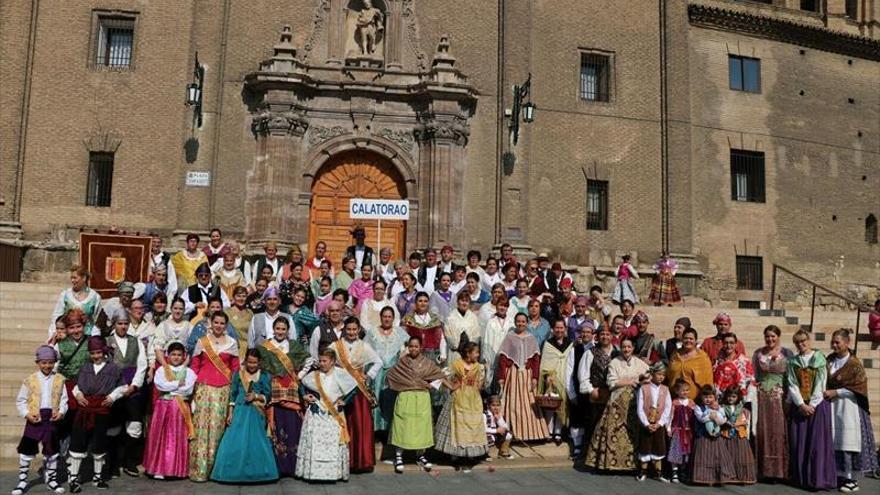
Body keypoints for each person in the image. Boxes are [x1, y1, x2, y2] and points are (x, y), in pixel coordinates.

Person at [67, 336, 126, 493]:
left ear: (104, 352)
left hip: (101, 409)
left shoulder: (113, 369)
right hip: (84, 409)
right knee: (79, 441)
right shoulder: (85, 367)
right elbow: (76, 386)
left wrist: (113, 396)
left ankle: (98, 476)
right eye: (92, 353)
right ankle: (73, 477)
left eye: (98, 352)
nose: (96, 356)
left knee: (99, 442)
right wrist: (78, 395)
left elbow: (122, 386)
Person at [210, 349, 279, 483]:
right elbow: (233, 394)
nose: (252, 365)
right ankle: (230, 473)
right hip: (240, 411)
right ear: (245, 361)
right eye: (249, 362)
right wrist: (230, 413)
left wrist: (256, 396)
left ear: (259, 363)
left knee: (256, 441)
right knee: (235, 439)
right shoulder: (238, 374)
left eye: (255, 362)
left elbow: (268, 395)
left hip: (256, 412)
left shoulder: (264, 376)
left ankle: (260, 473)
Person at [188, 312, 240, 482]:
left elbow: (235, 370)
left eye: (222, 323)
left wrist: (234, 392)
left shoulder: (232, 343)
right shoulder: (202, 342)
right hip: (203, 388)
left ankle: (216, 470)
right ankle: (200, 469)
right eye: (216, 322)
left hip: (223, 390)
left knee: (218, 429)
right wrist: (191, 390)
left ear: (226, 325)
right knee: (202, 428)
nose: (218, 325)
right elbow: (195, 366)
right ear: (211, 323)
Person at [584, 337, 649, 472]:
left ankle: (633, 465)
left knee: (633, 433)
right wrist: (632, 381)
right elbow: (612, 383)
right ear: (620, 348)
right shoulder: (614, 362)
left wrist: (634, 381)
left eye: (629, 347)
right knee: (613, 433)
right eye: (624, 347)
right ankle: (611, 464)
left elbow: (648, 377)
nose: (626, 349)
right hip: (616, 404)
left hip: (634, 403)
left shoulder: (640, 363)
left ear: (633, 348)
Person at [826, 328, 878, 492]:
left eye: (838, 342)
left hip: (849, 406)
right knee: (835, 440)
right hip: (832, 406)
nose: (834, 345)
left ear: (847, 343)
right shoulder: (830, 360)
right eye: (833, 342)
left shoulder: (854, 364)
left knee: (847, 441)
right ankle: (837, 474)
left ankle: (851, 478)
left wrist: (837, 392)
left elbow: (858, 387)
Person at [387, 336, 449, 473]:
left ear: (421, 347)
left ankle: (421, 455)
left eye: (416, 346)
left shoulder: (428, 363)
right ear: (408, 347)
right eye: (411, 346)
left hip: (422, 398)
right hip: (405, 396)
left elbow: (439, 376)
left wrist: (429, 385)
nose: (413, 348)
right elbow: (390, 375)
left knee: (422, 426)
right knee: (402, 425)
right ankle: (398, 456)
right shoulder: (402, 362)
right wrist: (408, 383)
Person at [257, 316, 309, 477]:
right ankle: (277, 466)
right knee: (276, 424)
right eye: (277, 328)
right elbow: (257, 366)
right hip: (274, 389)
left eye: (283, 329)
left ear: (287, 331)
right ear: (273, 329)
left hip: (292, 389)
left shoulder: (294, 346)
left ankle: (292, 466)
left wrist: (299, 375)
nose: (280, 331)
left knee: (292, 424)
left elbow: (309, 360)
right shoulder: (264, 347)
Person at [12, 345, 68, 495]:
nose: (47, 366)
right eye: (44, 362)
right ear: (38, 363)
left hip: (51, 419)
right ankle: (23, 481)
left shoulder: (60, 379)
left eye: (50, 362)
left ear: (54, 362)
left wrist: (62, 412)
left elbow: (64, 399)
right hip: (35, 419)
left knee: (52, 450)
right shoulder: (30, 380)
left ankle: (52, 479)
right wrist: (26, 414)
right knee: (26, 450)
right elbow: (21, 400)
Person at [296, 348, 358, 482]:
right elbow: (300, 383)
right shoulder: (314, 375)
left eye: (325, 361)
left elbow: (354, 388)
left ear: (333, 361)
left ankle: (333, 474)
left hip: (334, 414)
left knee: (332, 445)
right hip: (316, 414)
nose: (322, 363)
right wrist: (305, 396)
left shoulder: (341, 374)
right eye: (320, 360)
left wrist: (345, 401)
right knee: (315, 444)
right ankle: (313, 473)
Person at [786, 329, 836, 491]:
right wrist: (801, 404)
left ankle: (817, 479)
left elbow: (821, 383)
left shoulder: (819, 359)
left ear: (809, 341)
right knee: (799, 441)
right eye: (797, 342)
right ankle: (802, 478)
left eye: (803, 341)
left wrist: (812, 405)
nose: (801, 345)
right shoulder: (793, 362)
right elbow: (792, 384)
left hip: (817, 405)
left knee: (816, 443)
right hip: (800, 406)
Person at [333, 317, 382, 473]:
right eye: (349, 329)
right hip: (341, 390)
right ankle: (340, 460)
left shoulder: (364, 346)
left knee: (359, 425)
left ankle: (359, 461)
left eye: (354, 329)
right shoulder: (336, 346)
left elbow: (378, 362)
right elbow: (325, 359)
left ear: (359, 330)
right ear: (344, 330)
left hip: (359, 391)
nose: (352, 332)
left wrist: (368, 375)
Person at [143, 342, 196, 480]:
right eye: (173, 354)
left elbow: (188, 389)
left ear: (184, 356)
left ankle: (175, 469)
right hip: (163, 406)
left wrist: (170, 386)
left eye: (179, 355)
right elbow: (160, 385)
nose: (176, 357)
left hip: (179, 409)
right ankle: (158, 468)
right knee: (161, 436)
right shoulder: (162, 370)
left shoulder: (189, 372)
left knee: (175, 437)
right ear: (168, 356)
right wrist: (177, 384)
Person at [105, 309, 148, 478]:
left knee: (134, 426)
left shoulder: (135, 342)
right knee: (113, 428)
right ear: (114, 324)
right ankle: (113, 464)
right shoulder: (106, 341)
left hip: (132, 389)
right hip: (113, 388)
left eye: (125, 324)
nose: (123, 327)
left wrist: (135, 385)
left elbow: (142, 364)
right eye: (120, 324)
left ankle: (129, 462)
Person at [434, 342, 489, 471]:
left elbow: (480, 386)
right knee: (458, 426)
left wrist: (481, 380)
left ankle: (469, 456)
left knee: (471, 426)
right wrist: (452, 386)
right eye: (475, 352)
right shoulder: (457, 364)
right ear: (468, 353)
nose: (478, 354)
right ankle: (457, 455)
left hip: (473, 400)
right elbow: (442, 375)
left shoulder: (479, 367)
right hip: (458, 398)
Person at [496, 313, 549, 442]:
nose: (521, 324)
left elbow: (536, 359)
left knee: (528, 403)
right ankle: (512, 432)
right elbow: (503, 358)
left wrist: (535, 377)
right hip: (512, 374)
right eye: (518, 321)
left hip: (526, 374)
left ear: (527, 323)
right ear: (515, 322)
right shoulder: (509, 337)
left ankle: (530, 433)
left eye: (523, 321)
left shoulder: (531, 338)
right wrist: (501, 376)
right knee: (512, 403)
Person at [751, 324, 794, 481]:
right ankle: (763, 470)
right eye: (767, 336)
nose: (770, 339)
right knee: (763, 431)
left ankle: (779, 470)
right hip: (762, 397)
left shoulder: (787, 353)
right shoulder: (758, 354)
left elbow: (791, 378)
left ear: (778, 337)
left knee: (777, 432)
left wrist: (789, 399)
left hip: (779, 397)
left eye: (773, 336)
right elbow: (754, 375)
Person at [365, 307, 410, 436]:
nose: (387, 319)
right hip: (377, 372)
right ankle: (377, 430)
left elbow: (409, 347)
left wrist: (401, 359)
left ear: (393, 318)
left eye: (389, 316)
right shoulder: (372, 332)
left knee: (392, 399)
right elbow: (365, 350)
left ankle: (391, 430)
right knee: (376, 398)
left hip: (393, 371)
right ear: (381, 317)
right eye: (384, 316)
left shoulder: (399, 332)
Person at [578, 324, 616, 457]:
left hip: (613, 396)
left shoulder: (617, 352)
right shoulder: (590, 353)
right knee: (594, 426)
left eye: (607, 334)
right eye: (602, 334)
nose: (605, 337)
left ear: (611, 336)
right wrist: (590, 390)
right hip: (597, 395)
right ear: (597, 336)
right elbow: (583, 375)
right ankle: (589, 458)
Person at [691, 385, 735, 485]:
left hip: (716, 436)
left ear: (714, 398)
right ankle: (703, 478)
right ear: (701, 397)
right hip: (703, 435)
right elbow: (701, 419)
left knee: (716, 456)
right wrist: (710, 416)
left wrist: (716, 417)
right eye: (705, 397)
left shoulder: (719, 407)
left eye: (710, 397)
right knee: (704, 456)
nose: (708, 399)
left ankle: (717, 477)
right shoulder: (698, 407)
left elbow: (722, 419)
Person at [635, 362, 671, 482]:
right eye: (658, 374)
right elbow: (640, 408)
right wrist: (646, 423)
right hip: (646, 424)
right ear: (652, 374)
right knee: (645, 446)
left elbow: (667, 408)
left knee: (659, 447)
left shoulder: (666, 390)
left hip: (658, 424)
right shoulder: (644, 388)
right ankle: (642, 471)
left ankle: (658, 473)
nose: (661, 377)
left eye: (663, 375)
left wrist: (660, 423)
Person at [539, 317, 572, 445]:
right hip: (551, 379)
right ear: (553, 329)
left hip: (564, 378)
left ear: (565, 329)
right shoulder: (547, 344)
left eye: (561, 328)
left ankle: (558, 432)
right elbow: (545, 362)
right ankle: (548, 431)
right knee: (550, 405)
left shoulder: (570, 343)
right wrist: (547, 375)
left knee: (561, 406)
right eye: (557, 328)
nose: (559, 330)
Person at [49, 266, 103, 338]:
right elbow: (57, 315)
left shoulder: (95, 297)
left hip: (87, 337)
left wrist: (95, 336)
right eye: (71, 278)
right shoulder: (65, 295)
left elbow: (97, 319)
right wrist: (53, 333)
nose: (72, 280)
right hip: (67, 337)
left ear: (84, 278)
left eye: (75, 278)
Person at [399, 292, 447, 369]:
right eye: (420, 301)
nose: (423, 303)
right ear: (415, 303)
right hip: (413, 355)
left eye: (425, 301)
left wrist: (443, 353)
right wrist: (404, 352)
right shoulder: (408, 319)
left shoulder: (435, 319)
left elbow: (441, 338)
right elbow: (401, 338)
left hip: (432, 356)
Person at [720, 386, 756, 484]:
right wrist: (726, 423)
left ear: (738, 397)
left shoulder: (742, 408)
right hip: (727, 433)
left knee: (740, 455)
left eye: (733, 396)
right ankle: (729, 475)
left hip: (738, 433)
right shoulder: (723, 407)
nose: (730, 399)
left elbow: (745, 421)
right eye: (729, 396)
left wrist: (737, 424)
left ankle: (741, 476)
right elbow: (721, 418)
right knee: (728, 454)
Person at [666, 327, 713, 401]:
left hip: (694, 401)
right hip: (674, 399)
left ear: (695, 341)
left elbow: (708, 382)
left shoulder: (702, 357)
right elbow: (669, 375)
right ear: (682, 339)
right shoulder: (675, 354)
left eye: (691, 339)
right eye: (685, 338)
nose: (688, 341)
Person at [667, 379, 696, 484]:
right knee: (676, 451)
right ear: (677, 391)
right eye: (683, 390)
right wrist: (669, 428)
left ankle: (683, 471)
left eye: (687, 390)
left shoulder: (691, 403)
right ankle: (674, 472)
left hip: (688, 431)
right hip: (678, 430)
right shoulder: (674, 402)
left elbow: (696, 416)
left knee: (686, 452)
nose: (685, 392)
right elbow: (670, 416)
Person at [481, 296, 514, 391]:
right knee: (492, 384)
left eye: (505, 306)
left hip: (507, 357)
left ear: (508, 307)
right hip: (493, 356)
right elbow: (487, 341)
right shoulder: (491, 322)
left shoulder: (512, 322)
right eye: (500, 305)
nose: (502, 308)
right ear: (496, 306)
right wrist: (487, 359)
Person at [712, 332, 755, 402]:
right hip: (721, 401)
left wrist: (748, 402)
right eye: (726, 343)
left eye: (731, 343)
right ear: (722, 344)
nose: (728, 345)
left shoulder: (744, 361)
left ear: (736, 344)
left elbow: (751, 382)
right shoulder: (717, 361)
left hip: (740, 401)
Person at [444, 290, 482, 366]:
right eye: (462, 300)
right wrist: (457, 346)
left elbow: (476, 336)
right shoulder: (450, 317)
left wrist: (470, 350)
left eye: (467, 301)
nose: (464, 303)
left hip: (470, 355)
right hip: (455, 352)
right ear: (457, 302)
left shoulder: (473, 318)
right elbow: (448, 336)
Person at [151, 298, 191, 368]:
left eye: (181, 309)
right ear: (171, 309)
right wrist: (166, 366)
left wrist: (183, 366)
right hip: (165, 362)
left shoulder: (190, 326)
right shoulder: (163, 325)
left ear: (184, 310)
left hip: (184, 363)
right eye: (175, 308)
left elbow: (192, 350)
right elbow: (157, 348)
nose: (178, 311)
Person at [484, 395, 514, 459]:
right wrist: (496, 430)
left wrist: (499, 419)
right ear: (488, 406)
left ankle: (503, 452)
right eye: (493, 405)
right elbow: (483, 429)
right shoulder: (485, 415)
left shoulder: (498, 414)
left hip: (496, 434)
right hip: (487, 434)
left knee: (508, 434)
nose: (496, 408)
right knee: (489, 438)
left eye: (498, 405)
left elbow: (506, 427)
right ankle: (486, 453)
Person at [226, 286, 253, 352]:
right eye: (238, 296)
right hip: (233, 348)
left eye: (244, 296)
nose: (241, 299)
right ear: (233, 297)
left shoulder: (250, 313)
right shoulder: (227, 312)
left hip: (248, 349)